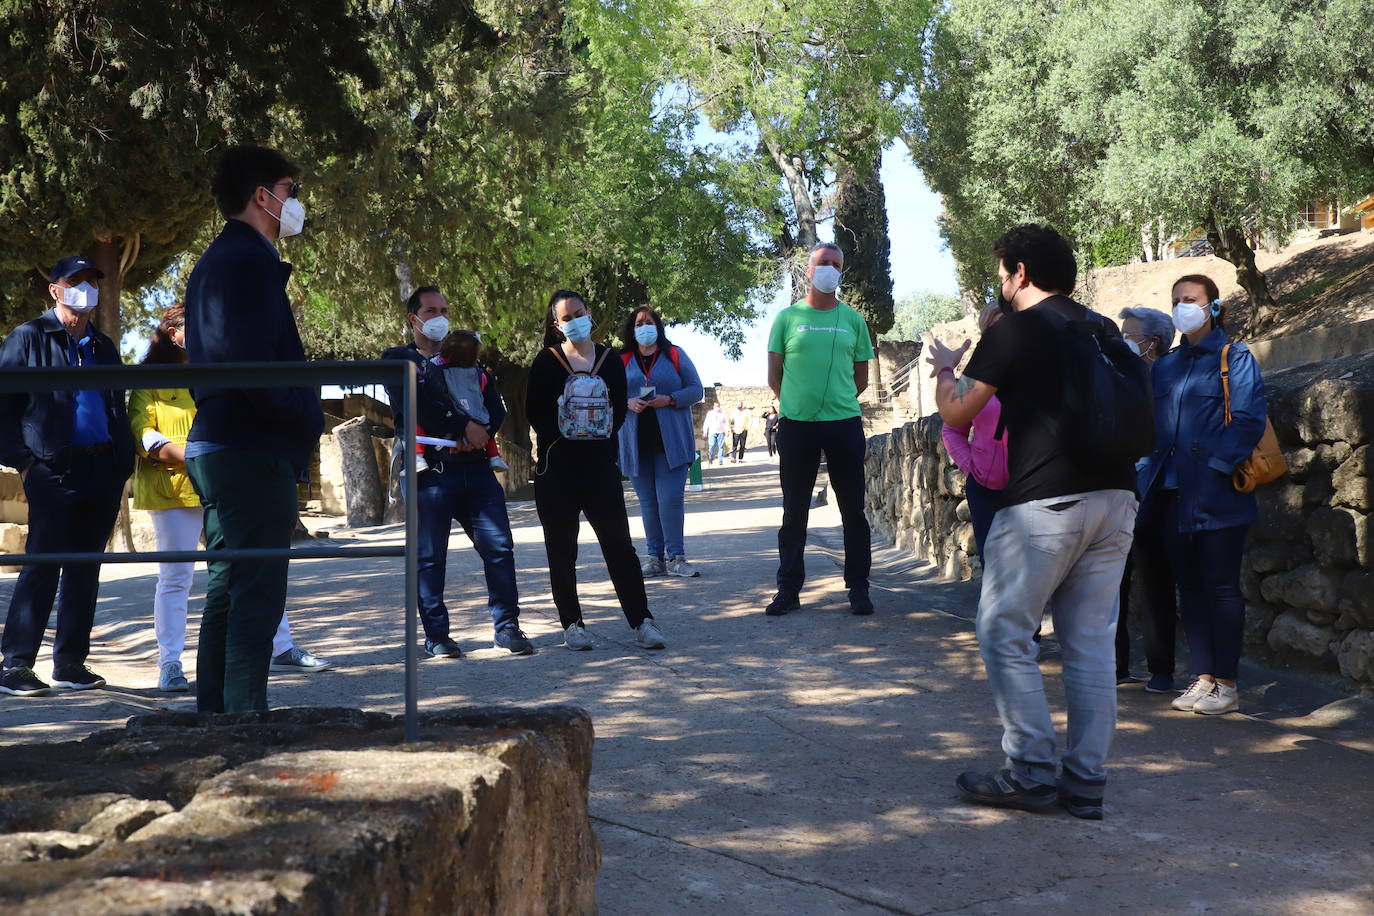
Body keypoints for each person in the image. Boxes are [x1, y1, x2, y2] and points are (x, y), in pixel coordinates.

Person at [926, 224, 1139, 820]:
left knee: (1002, 633)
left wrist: (946, 368)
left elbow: (956, 408)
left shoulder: (1018, 329)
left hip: (1045, 503)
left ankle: (1031, 772)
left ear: (1020, 272)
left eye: (1001, 274)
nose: (1000, 284)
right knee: (1091, 645)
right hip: (1117, 499)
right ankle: (1086, 781)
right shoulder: (1101, 329)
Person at [182, 145, 325, 713]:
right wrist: (303, 413)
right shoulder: (244, 261)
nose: (296, 203)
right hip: (247, 445)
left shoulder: (224, 259)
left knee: (228, 586)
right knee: (256, 592)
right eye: (290, 189)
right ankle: (244, 721)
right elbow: (250, 363)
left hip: (226, 440)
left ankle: (215, 717)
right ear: (262, 196)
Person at [130, 304, 332, 694]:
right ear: (173, 334)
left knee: (255, 563)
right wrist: (195, 461)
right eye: (192, 326)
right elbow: (145, 434)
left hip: (224, 480)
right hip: (175, 490)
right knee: (176, 578)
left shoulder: (220, 366)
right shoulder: (150, 378)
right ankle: (170, 663)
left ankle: (282, 646)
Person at [0, 256, 135, 697]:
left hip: (102, 470)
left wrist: (121, 462)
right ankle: (16, 665)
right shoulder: (28, 337)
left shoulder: (104, 347)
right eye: (75, 281)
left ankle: (70, 663)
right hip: (52, 470)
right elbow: (4, 409)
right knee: (42, 565)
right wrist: (26, 463)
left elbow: (116, 406)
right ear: (55, 290)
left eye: (92, 281)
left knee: (85, 568)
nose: (86, 289)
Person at [1138, 276, 1266, 716]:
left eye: (1190, 300)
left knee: (1221, 588)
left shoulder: (1236, 357)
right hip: (1170, 494)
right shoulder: (1168, 365)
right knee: (1189, 589)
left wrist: (1214, 468)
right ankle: (1204, 676)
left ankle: (1227, 683)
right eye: (1176, 301)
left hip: (1218, 494)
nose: (1181, 307)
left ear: (1213, 307)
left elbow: (1248, 421)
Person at [381, 287, 530, 658]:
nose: (439, 318)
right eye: (431, 311)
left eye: (444, 310)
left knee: (499, 549)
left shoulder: (470, 363)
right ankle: (437, 636)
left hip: (477, 470)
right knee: (430, 557)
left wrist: (481, 433)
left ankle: (507, 626)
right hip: (430, 473)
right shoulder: (400, 359)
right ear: (412, 318)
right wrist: (464, 426)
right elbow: (417, 406)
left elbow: (495, 407)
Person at [526, 289, 666, 651]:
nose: (575, 321)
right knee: (561, 550)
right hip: (557, 470)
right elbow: (535, 413)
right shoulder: (547, 361)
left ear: (588, 312)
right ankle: (572, 625)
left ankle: (642, 621)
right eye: (566, 317)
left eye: (578, 312)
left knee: (620, 547)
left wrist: (592, 430)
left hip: (600, 468)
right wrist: (569, 428)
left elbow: (618, 410)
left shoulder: (609, 359)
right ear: (557, 325)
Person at [765, 242, 876, 617]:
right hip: (797, 426)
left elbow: (861, 376)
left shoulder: (854, 321)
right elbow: (774, 375)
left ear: (840, 272)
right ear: (809, 271)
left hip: (844, 424)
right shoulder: (786, 319)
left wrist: (837, 401)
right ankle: (788, 589)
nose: (829, 268)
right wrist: (798, 404)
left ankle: (859, 586)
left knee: (853, 511)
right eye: (823, 263)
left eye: (836, 264)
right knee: (794, 512)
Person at [1116, 306, 1179, 692]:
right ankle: (1115, 665)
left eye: (1130, 335)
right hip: (1119, 491)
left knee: (1156, 583)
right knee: (1111, 584)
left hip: (1157, 493)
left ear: (1153, 342)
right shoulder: (1120, 377)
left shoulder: (1171, 380)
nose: (1123, 341)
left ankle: (1161, 670)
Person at [619, 307, 705, 579]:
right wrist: (627, 402)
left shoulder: (675, 354)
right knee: (648, 503)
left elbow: (696, 389)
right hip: (635, 443)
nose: (644, 326)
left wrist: (669, 399)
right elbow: (607, 395)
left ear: (657, 325)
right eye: (639, 323)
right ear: (631, 330)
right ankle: (654, 558)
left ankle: (676, 557)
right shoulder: (621, 359)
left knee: (670, 499)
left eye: (649, 321)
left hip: (671, 442)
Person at [939, 303, 1009, 561]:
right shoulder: (973, 379)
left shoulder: (1037, 371)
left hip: (1030, 486)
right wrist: (971, 466)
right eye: (995, 326)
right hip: (985, 488)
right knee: (993, 565)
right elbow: (952, 430)